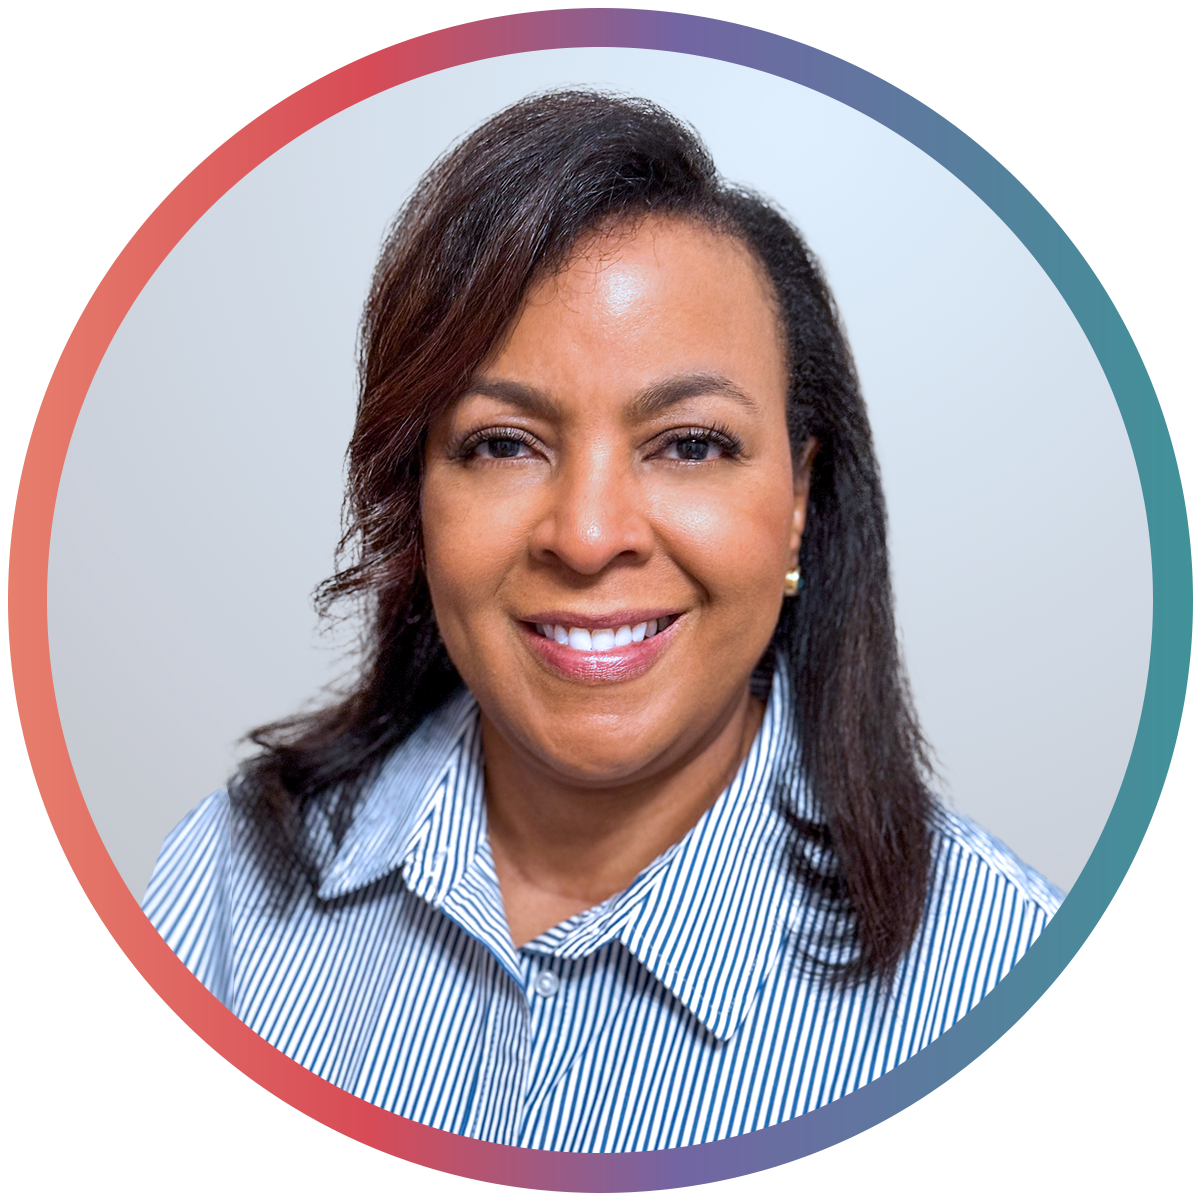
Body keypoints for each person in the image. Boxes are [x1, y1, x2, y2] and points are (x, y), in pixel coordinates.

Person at [143, 90, 1062, 1152]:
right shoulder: (220, 889)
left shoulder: (1012, 983)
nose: (586, 536)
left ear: (801, 498)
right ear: (416, 497)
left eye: (689, 445)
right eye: (503, 443)